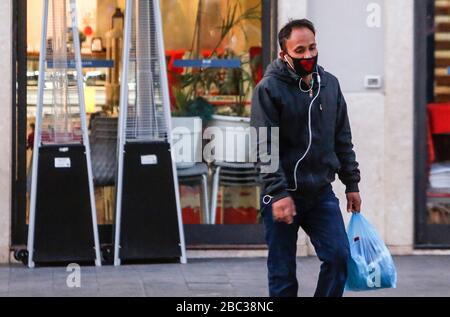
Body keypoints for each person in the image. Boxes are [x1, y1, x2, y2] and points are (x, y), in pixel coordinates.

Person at [250, 19, 362, 297]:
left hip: (320, 193)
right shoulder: (269, 89)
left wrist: (352, 183)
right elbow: (264, 146)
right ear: (283, 55)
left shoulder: (330, 85)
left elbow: (342, 139)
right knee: (283, 273)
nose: (308, 55)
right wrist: (277, 193)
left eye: (312, 48)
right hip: (282, 193)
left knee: (338, 257)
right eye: (299, 50)